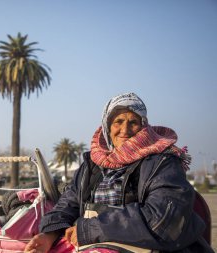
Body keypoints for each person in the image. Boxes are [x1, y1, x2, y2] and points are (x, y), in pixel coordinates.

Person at [25, 92, 213, 253]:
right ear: (107, 126)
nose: (125, 130)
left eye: (133, 122)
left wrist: (89, 229)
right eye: (118, 122)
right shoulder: (93, 164)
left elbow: (162, 218)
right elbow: (68, 204)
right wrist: (48, 234)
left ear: (144, 127)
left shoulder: (162, 162)